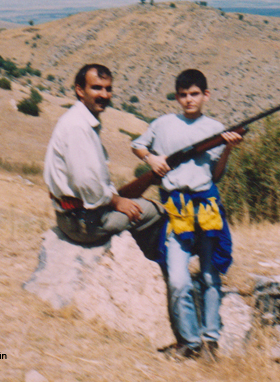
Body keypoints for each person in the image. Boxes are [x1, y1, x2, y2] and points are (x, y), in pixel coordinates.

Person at [131, 69, 242, 361]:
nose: (189, 100)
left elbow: (215, 175)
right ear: (177, 96)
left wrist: (228, 149)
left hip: (206, 207)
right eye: (183, 95)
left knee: (209, 276)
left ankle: (211, 342)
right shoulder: (163, 124)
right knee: (178, 279)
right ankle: (189, 342)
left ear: (206, 95)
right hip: (176, 209)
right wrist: (151, 159)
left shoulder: (216, 128)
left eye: (194, 94)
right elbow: (137, 144)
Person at [44, 64, 164, 258]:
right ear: (80, 90)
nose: (105, 95)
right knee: (155, 211)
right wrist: (117, 201)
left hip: (74, 216)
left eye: (108, 89)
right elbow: (87, 182)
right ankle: (153, 267)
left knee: (136, 204)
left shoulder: (78, 120)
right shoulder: (78, 127)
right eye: (97, 88)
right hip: (83, 223)